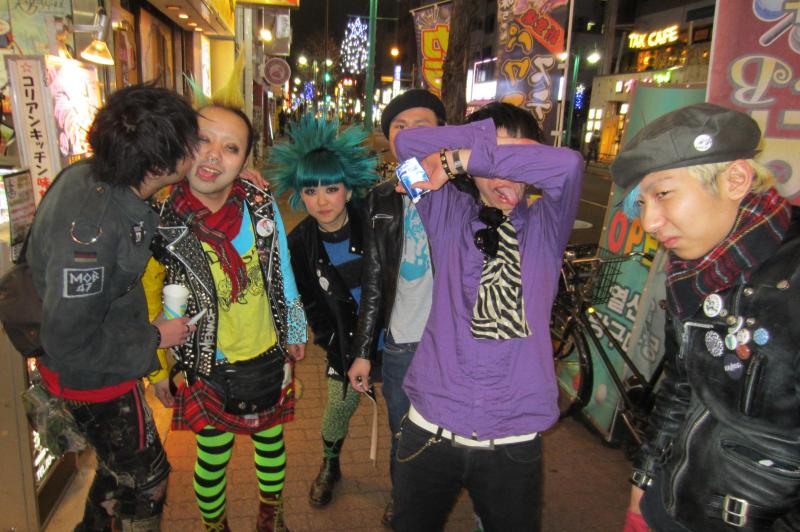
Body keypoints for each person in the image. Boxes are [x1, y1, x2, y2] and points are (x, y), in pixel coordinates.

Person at [387, 102, 583, 530]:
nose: (500, 176)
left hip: (512, 439)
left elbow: (568, 166)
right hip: (430, 430)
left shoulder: (548, 226)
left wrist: (462, 156)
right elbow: (406, 144)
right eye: (488, 161)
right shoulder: (446, 212)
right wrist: (454, 158)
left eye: (515, 160)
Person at [612, 103, 800, 532]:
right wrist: (643, 487)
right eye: (640, 204)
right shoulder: (694, 272)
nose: (649, 222)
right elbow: (679, 388)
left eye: (662, 194)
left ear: (735, 180)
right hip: (674, 505)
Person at [26, 83, 200, 531]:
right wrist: (157, 337)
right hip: (94, 380)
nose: (198, 150)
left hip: (105, 370)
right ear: (159, 165)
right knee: (147, 481)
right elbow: (68, 339)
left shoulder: (95, 177)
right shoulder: (92, 232)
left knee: (114, 469)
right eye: (190, 142)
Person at [149, 102, 307, 532]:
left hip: (267, 349)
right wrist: (157, 367)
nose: (214, 155)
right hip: (207, 360)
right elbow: (152, 298)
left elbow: (282, 268)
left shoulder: (259, 204)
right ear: (182, 143)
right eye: (203, 140)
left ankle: (269, 515)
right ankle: (214, 526)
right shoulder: (162, 221)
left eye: (231, 147)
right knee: (212, 455)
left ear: (244, 162)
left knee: (271, 444)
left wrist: (294, 327)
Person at [268, 115, 381, 508]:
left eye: (332, 188)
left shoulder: (377, 221)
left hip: (398, 340)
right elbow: (305, 302)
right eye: (311, 190)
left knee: (409, 416)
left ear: (349, 190)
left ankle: (409, 486)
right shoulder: (300, 242)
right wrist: (332, 341)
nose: (321, 200)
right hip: (346, 343)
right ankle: (330, 465)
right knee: (337, 408)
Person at [347, 88, 446, 526]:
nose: (407, 135)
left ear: (444, 132)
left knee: (456, 433)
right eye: (398, 128)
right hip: (404, 340)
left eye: (420, 126)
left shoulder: (464, 191)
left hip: (453, 340)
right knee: (404, 433)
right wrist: (364, 350)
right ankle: (404, 500)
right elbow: (373, 279)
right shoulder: (382, 198)